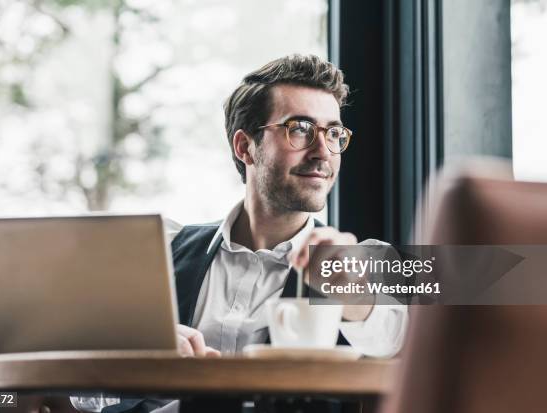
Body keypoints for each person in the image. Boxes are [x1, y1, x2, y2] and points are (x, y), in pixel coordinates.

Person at [71, 54, 407, 413]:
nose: (322, 151)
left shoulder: (361, 260)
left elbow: (400, 338)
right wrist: (140, 353)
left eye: (334, 133)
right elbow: (83, 395)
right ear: (245, 146)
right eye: (300, 129)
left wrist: (351, 294)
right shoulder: (161, 250)